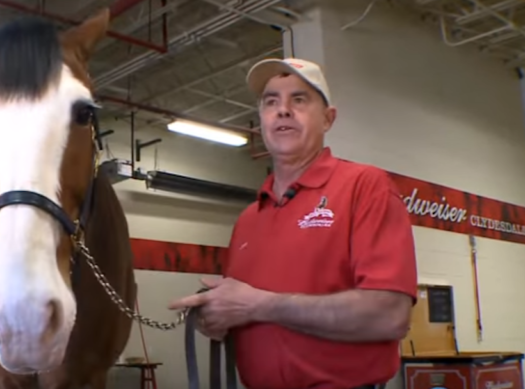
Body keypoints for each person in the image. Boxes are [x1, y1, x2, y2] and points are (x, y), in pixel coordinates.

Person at [168, 57, 418, 389]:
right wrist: (218, 316)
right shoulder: (248, 219)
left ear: (328, 119)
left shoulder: (365, 187)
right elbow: (245, 311)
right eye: (271, 101)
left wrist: (258, 304)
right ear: (261, 121)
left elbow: (388, 315)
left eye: (299, 99)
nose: (283, 110)